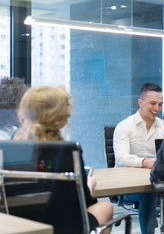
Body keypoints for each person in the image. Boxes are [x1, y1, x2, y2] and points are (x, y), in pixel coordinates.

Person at [14, 85, 113, 234]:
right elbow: (83, 202)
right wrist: (88, 185)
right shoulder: (67, 151)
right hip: (62, 226)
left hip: (21, 224)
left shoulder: (11, 146)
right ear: (61, 117)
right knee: (105, 207)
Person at [113, 82, 164, 234]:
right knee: (149, 191)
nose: (157, 108)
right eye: (153, 103)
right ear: (140, 102)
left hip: (155, 181)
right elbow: (120, 158)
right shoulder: (124, 126)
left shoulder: (163, 127)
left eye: (160, 104)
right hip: (128, 185)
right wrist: (144, 162)